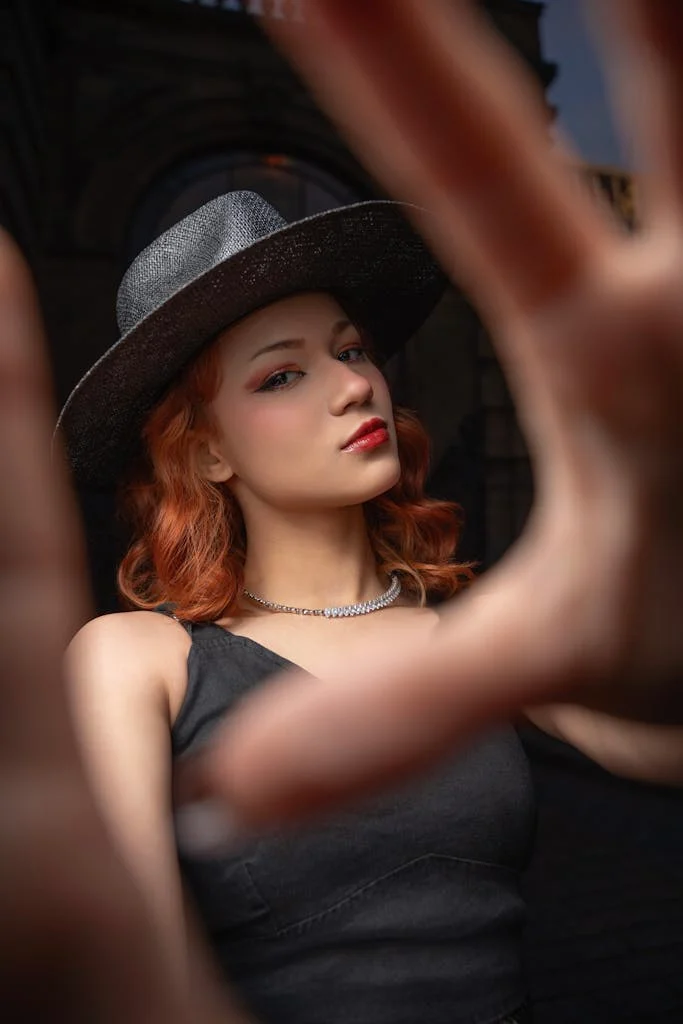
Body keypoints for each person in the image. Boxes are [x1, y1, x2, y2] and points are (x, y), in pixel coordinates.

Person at [1, 1, 682, 1021]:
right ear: (207, 451)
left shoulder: (473, 641)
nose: (354, 385)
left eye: (351, 349)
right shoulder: (139, 662)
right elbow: (132, 974)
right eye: (282, 375)